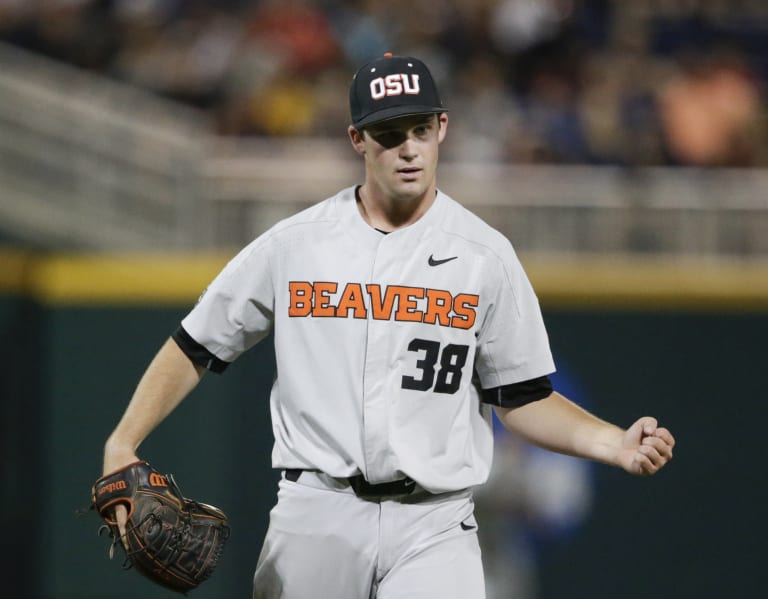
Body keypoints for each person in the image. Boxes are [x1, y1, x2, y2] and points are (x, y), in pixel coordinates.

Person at [102, 53, 675, 599]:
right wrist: (123, 441)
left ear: (442, 128)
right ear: (358, 139)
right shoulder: (295, 244)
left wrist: (611, 442)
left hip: (435, 521)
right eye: (390, 134)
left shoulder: (484, 255)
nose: (409, 149)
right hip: (315, 513)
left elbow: (521, 397)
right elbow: (195, 344)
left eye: (420, 130)